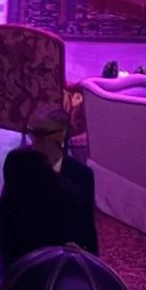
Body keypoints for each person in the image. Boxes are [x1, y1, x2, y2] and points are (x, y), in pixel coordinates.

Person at [27, 106, 99, 254]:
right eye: (31, 133)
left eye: (40, 134)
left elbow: (86, 225)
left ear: (61, 134)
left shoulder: (82, 175)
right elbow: (8, 224)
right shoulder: (20, 165)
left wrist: (91, 262)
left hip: (66, 256)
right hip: (28, 254)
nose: (33, 141)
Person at [0, 145, 70, 280]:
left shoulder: (9, 202)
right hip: (52, 272)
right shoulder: (63, 195)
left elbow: (3, 244)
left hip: (17, 273)